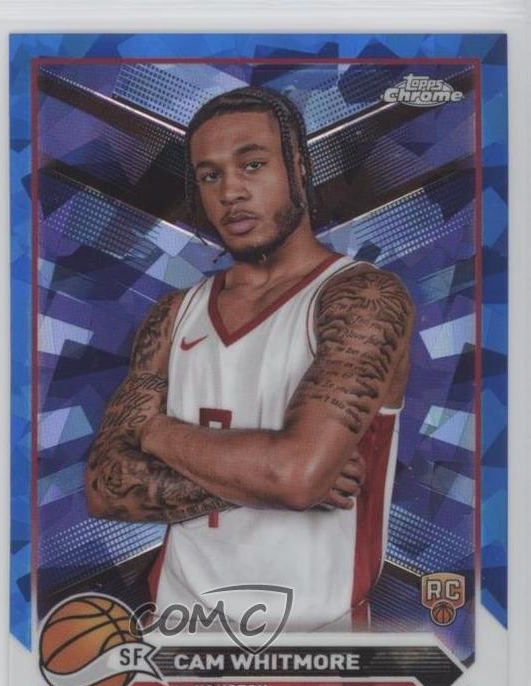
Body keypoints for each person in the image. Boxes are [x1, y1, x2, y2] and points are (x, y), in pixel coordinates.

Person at [86, 86, 413, 632]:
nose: (231, 191)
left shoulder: (362, 299)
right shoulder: (173, 316)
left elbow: (295, 476)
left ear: (299, 165)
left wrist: (154, 433)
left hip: (315, 642)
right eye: (210, 175)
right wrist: (273, 476)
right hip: (176, 631)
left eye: (253, 164)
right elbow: (105, 487)